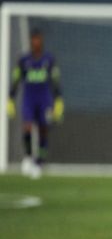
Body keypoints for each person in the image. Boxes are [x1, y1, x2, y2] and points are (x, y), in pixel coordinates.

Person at [7, 29, 64, 179]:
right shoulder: (24, 60)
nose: (36, 43)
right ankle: (27, 157)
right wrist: (10, 98)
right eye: (34, 40)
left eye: (39, 40)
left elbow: (55, 81)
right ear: (31, 41)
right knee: (27, 126)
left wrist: (58, 100)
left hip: (44, 99)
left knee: (43, 130)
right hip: (29, 99)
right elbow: (16, 79)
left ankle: (39, 162)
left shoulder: (49, 60)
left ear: (41, 41)